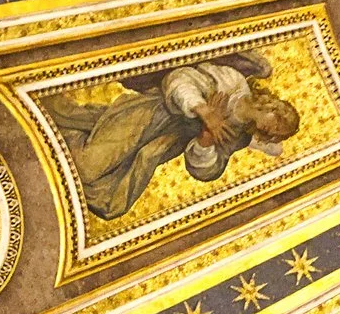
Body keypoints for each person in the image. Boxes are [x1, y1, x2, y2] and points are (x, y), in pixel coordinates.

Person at [47, 54, 300, 219]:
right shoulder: (232, 83)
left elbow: (207, 170)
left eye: (277, 135)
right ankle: (67, 132)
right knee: (86, 168)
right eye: (277, 123)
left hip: (161, 144)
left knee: (112, 204)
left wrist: (205, 141)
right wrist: (204, 111)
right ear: (271, 106)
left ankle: (75, 129)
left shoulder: (237, 135)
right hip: (149, 117)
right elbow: (179, 78)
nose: (273, 132)